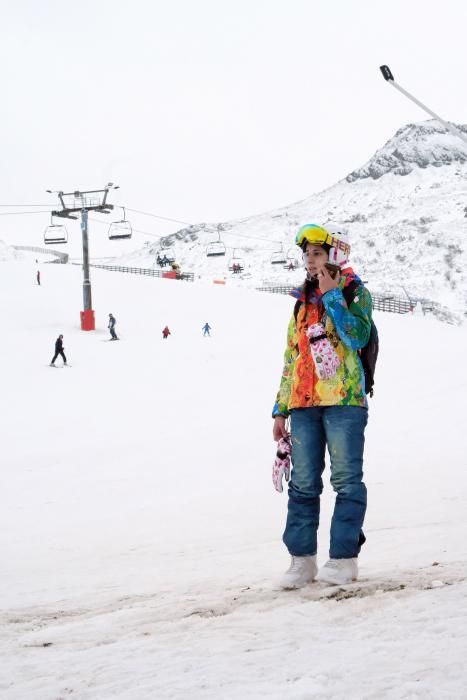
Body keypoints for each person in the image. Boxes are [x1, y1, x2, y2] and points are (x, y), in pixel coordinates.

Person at [272, 223, 373, 588]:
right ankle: (302, 561)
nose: (310, 261)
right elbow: (291, 357)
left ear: (335, 254)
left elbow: (357, 335)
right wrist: (280, 409)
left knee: (346, 481)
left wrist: (333, 296)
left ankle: (344, 559)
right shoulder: (301, 302)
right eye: (307, 255)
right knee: (302, 483)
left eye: (317, 253)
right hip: (302, 404)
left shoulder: (356, 292)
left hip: (344, 401)